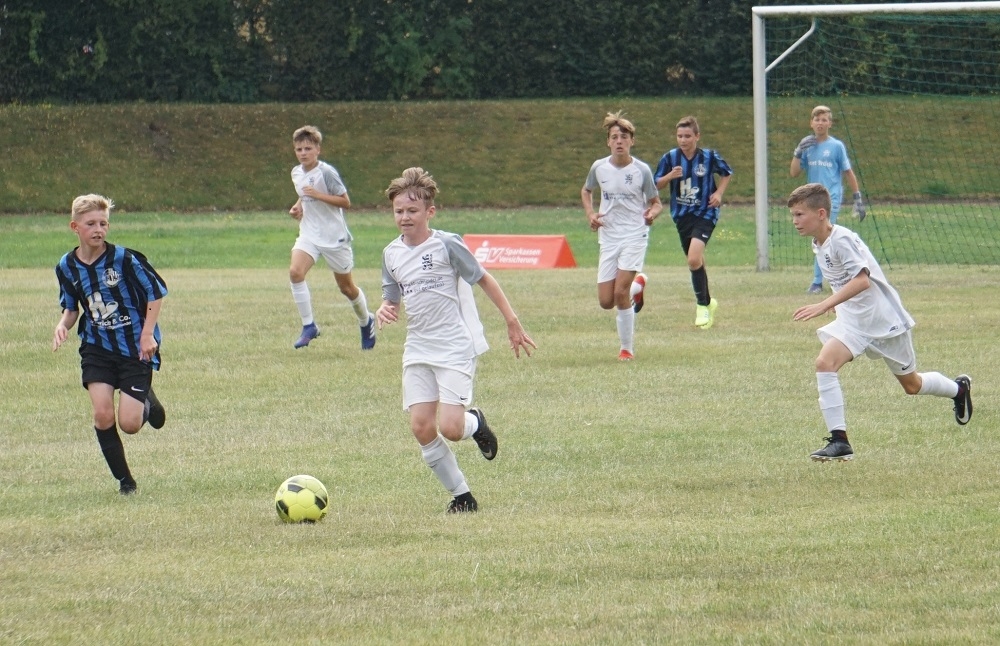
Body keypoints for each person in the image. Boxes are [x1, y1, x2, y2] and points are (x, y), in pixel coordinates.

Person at [377, 167, 536, 513]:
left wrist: (512, 322)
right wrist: (385, 309)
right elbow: (391, 298)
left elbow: (484, 279)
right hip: (418, 347)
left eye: (412, 210)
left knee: (450, 428)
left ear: (430, 212)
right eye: (399, 211)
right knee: (421, 427)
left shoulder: (447, 244)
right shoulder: (391, 254)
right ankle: (462, 496)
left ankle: (475, 422)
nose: (405, 217)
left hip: (454, 346)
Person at [789, 183, 972, 462]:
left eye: (800, 214)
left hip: (884, 322)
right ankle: (839, 441)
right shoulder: (820, 243)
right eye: (793, 215)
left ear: (821, 213)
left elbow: (862, 280)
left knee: (912, 385)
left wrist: (825, 304)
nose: (795, 221)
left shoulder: (842, 240)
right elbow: (844, 280)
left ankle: (959, 389)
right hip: (853, 323)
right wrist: (837, 303)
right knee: (824, 364)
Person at [52, 194, 168, 495]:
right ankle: (126, 482)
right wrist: (63, 325)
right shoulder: (67, 266)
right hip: (96, 348)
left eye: (103, 223)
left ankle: (146, 400)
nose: (98, 229)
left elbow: (155, 293)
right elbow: (71, 308)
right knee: (102, 414)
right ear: (75, 227)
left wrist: (147, 334)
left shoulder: (124, 259)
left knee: (129, 424)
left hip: (134, 349)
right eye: (91, 224)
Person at [581, 111, 662, 361]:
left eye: (624, 137)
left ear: (631, 141)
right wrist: (590, 214)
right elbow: (586, 190)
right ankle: (638, 286)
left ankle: (626, 349)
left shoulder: (641, 170)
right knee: (606, 301)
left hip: (634, 234)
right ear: (608, 141)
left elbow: (657, 203)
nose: (619, 141)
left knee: (619, 294)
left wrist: (651, 214)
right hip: (609, 236)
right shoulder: (599, 167)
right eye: (614, 137)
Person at [287, 125, 376, 350]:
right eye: (299, 149)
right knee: (295, 272)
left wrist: (319, 195)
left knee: (347, 288)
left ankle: (366, 321)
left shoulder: (326, 172)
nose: (303, 153)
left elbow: (345, 202)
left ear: (318, 149)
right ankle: (309, 326)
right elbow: (304, 195)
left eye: (308, 148)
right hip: (309, 234)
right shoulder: (296, 172)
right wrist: (298, 207)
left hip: (334, 238)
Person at [654, 115, 733, 330]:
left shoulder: (709, 157)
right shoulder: (670, 158)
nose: (683, 140)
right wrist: (670, 176)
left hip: (706, 213)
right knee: (696, 261)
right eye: (680, 136)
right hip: (682, 216)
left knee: (693, 259)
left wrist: (719, 193)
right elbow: (656, 184)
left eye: (687, 136)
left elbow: (726, 173)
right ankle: (709, 302)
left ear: (697, 136)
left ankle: (701, 306)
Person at [790, 105, 865, 294]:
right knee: (821, 238)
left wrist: (857, 198)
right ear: (811, 123)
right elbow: (794, 172)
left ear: (830, 123)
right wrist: (798, 152)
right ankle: (834, 277)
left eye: (824, 120)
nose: (820, 123)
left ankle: (818, 282)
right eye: (817, 119)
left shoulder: (836, 146)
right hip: (811, 200)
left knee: (823, 236)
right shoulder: (807, 146)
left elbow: (848, 172)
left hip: (831, 199)